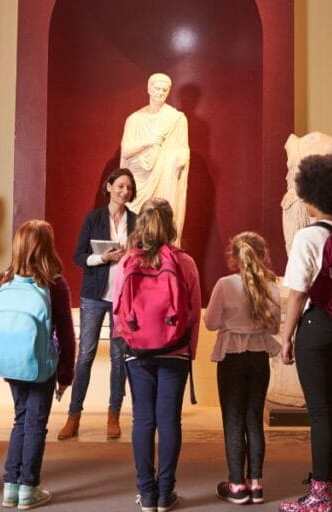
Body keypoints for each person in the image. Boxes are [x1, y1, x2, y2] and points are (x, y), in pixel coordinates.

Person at [279, 155, 332, 512]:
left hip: (317, 326)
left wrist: (286, 336)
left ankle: (319, 496)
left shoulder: (307, 236)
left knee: (320, 412)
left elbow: (298, 292)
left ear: (312, 194)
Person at [113, 198, 201, 512]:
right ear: (171, 225)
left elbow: (117, 311)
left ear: (141, 225)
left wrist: (126, 345)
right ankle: (165, 494)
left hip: (137, 350)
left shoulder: (127, 262)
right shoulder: (184, 262)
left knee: (142, 421)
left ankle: (147, 495)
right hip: (175, 350)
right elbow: (193, 312)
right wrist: (189, 351)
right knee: (169, 421)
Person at [0, 219, 76, 509]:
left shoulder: (4, 279)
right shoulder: (54, 283)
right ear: (47, 247)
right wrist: (66, 374)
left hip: (11, 361)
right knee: (36, 424)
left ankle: (10, 486)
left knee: (20, 419)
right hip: (41, 364)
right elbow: (65, 333)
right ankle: (29, 487)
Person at [58, 169, 138, 440]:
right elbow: (78, 257)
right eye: (120, 186)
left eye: (128, 188)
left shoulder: (136, 220)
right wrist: (104, 258)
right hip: (93, 295)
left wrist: (129, 256)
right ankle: (73, 416)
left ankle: (114, 415)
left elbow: (142, 256)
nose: (124, 191)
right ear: (109, 186)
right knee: (85, 355)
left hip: (123, 297)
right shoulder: (93, 218)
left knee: (118, 357)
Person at [204, 232, 281, 506]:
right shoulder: (271, 286)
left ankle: (236, 485)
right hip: (259, 356)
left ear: (234, 258)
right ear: (264, 255)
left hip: (232, 356)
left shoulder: (225, 285)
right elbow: (274, 326)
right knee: (254, 419)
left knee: (233, 419)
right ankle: (256, 484)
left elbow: (210, 323)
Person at [120, 73, 190, 236]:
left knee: (161, 220)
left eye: (165, 90)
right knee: (136, 225)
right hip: (138, 180)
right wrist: (148, 142)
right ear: (149, 89)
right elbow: (126, 152)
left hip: (165, 177)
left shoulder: (177, 119)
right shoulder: (134, 119)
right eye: (157, 89)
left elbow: (183, 148)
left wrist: (182, 158)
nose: (161, 93)